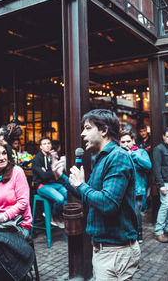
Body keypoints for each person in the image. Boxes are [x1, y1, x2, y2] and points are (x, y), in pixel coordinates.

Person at [52, 109, 140, 280]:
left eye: (87, 128)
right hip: (105, 250)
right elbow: (90, 196)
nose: (82, 134)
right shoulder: (102, 158)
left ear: (104, 130)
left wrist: (82, 185)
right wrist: (62, 178)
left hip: (115, 252)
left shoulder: (118, 157)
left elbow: (107, 204)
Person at [0, 137, 34, 279]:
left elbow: (23, 203)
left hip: (18, 225)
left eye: (4, 153)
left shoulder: (17, 172)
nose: (2, 157)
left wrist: (3, 217)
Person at [120, 130, 152, 244]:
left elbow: (148, 165)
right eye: (122, 141)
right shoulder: (118, 154)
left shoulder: (140, 152)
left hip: (137, 189)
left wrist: (132, 155)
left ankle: (138, 234)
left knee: (136, 212)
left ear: (133, 141)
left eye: (128, 141)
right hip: (122, 189)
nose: (126, 144)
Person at [32, 136, 67, 228]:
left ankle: (54, 214)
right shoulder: (37, 159)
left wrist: (48, 172)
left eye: (49, 143)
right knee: (59, 199)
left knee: (68, 195)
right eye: (44, 144)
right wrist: (54, 171)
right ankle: (53, 216)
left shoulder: (52, 157)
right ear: (40, 147)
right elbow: (43, 176)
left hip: (53, 184)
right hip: (41, 186)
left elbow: (59, 172)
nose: (47, 146)